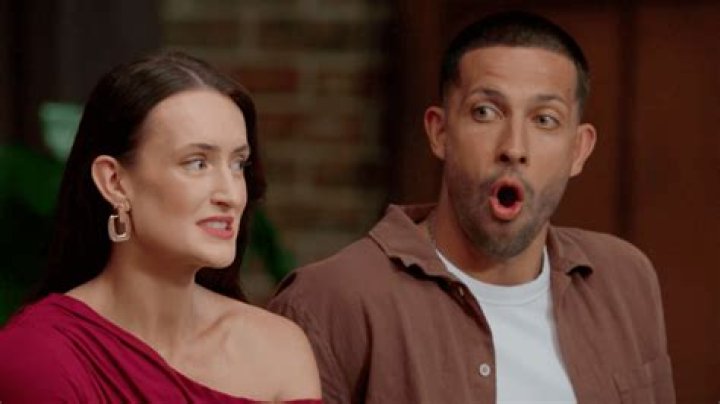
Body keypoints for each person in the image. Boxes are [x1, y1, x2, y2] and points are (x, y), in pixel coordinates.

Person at [268, 11, 675, 404]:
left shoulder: (624, 279)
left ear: (579, 150)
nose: (513, 147)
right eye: (485, 112)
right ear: (440, 132)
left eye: (545, 119)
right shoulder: (332, 300)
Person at [0, 51, 322, 403]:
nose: (231, 195)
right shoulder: (41, 354)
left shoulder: (279, 349)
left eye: (238, 164)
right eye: (197, 163)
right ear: (115, 182)